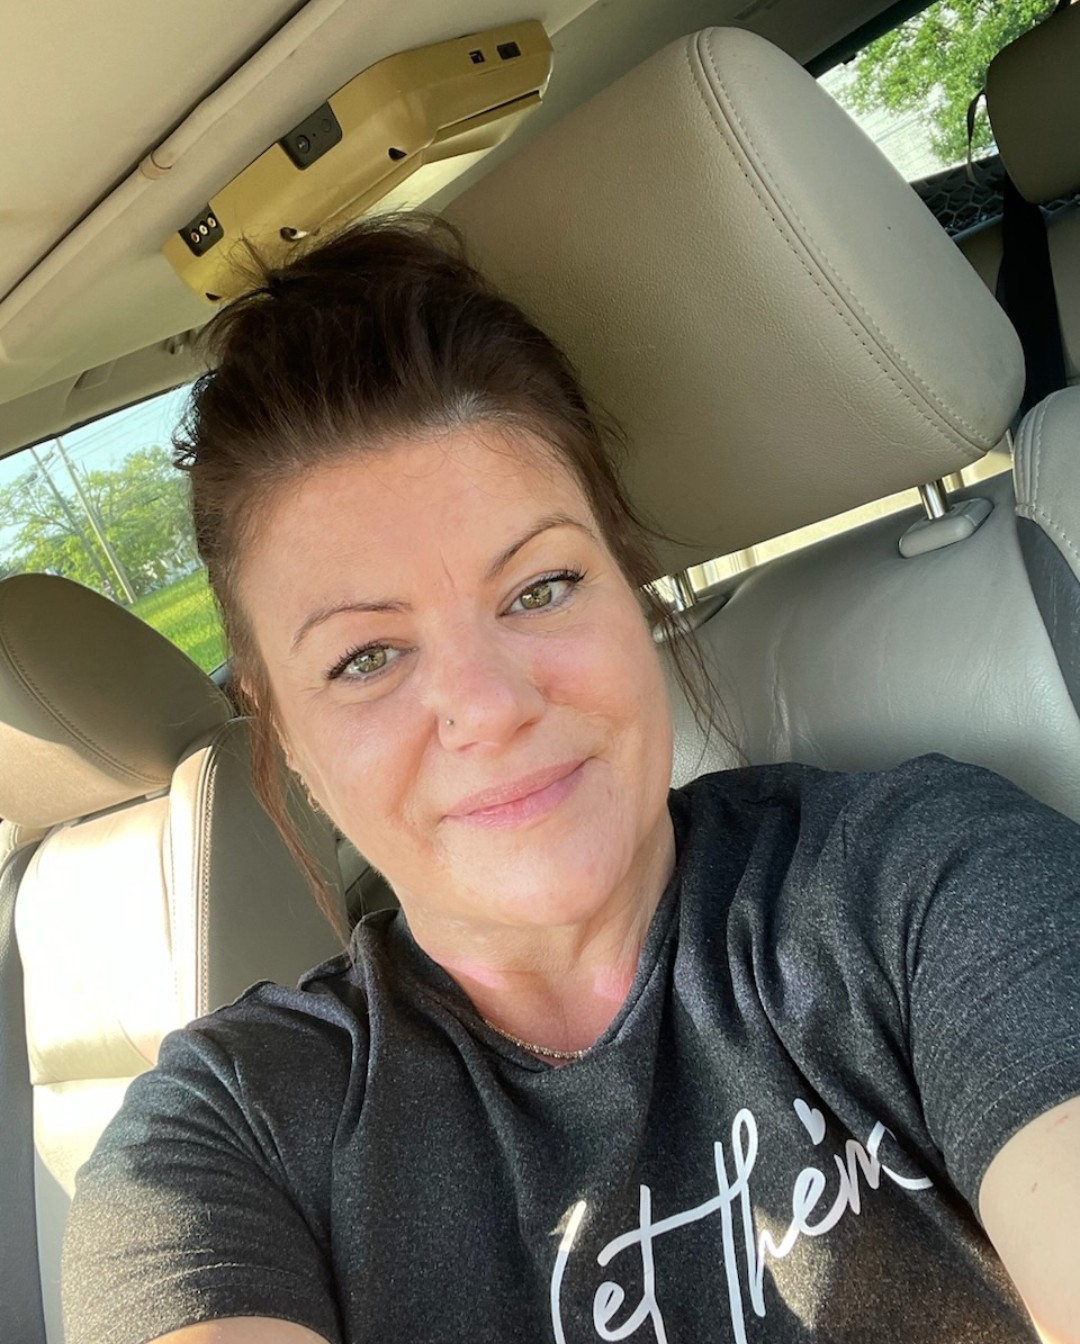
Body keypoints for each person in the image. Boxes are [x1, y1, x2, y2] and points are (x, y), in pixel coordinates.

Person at [63, 217, 1080, 1344]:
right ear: (286, 737)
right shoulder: (222, 1137)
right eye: (366, 657)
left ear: (631, 589)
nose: (491, 704)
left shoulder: (926, 886)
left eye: (540, 588)